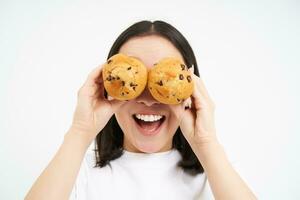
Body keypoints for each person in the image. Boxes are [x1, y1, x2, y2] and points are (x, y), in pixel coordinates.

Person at [25, 20, 257, 200]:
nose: (147, 100)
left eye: (161, 82)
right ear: (107, 84)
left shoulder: (216, 173)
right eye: (134, 80)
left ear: (190, 86)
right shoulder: (74, 171)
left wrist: (207, 144)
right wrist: (80, 131)